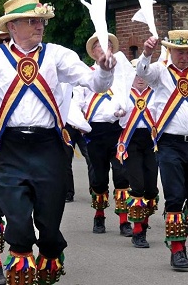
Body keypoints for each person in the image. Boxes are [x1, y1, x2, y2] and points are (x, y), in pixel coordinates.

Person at [0, 0, 116, 285]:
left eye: (41, 20)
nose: (39, 25)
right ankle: (20, 269)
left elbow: (95, 84)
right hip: (7, 148)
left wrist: (104, 68)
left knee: (50, 228)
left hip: (48, 148)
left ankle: (49, 255)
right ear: (13, 27)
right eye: (31, 21)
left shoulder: (58, 55)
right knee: (17, 223)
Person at [138, 29, 188, 271]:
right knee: (174, 197)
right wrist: (146, 53)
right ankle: (178, 249)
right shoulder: (160, 72)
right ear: (170, 50)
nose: (184, 56)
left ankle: (182, 227)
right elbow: (142, 72)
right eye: (180, 51)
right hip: (170, 144)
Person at [77, 33, 132, 237]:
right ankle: (99, 215)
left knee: (122, 176)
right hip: (95, 132)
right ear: (93, 52)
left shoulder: (120, 74)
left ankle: (124, 220)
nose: (106, 48)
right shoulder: (86, 75)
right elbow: (77, 103)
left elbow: (127, 98)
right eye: (101, 46)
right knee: (99, 178)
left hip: (117, 131)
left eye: (109, 45)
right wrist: (81, 124)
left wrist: (124, 110)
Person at [117, 59, 159, 248]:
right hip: (131, 142)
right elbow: (112, 112)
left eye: (143, 75)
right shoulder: (124, 94)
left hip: (151, 143)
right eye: (136, 75)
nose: (140, 79)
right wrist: (116, 112)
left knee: (151, 188)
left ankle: (145, 223)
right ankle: (137, 232)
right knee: (137, 186)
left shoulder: (157, 95)